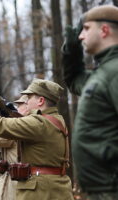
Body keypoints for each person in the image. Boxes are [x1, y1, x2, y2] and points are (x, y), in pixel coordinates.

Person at [0, 78, 74, 200]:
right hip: (54, 189)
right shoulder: (57, 120)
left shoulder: (38, 123)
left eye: (29, 98)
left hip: (40, 192)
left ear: (41, 101)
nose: (27, 102)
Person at [62, 5, 118, 200]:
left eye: (86, 29)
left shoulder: (114, 72)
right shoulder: (102, 73)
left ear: (104, 30)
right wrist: (71, 50)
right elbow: (74, 79)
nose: (80, 36)